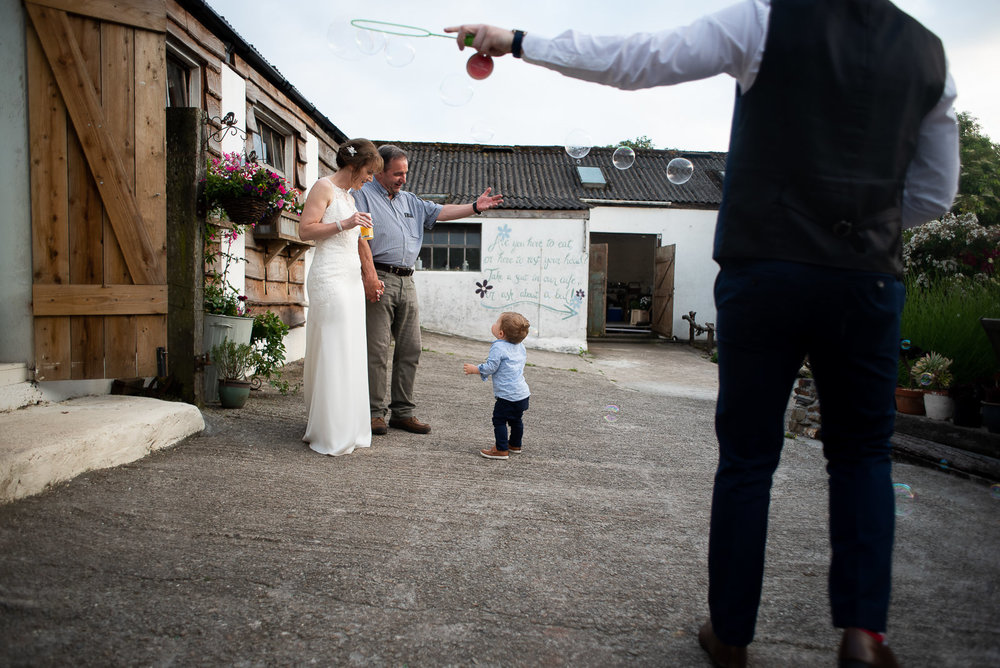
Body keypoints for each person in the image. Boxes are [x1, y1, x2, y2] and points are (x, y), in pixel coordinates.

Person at [447, 2, 959, 666]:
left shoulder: (767, 19)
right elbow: (934, 196)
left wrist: (515, 39)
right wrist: (861, 224)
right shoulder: (930, 54)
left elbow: (635, 59)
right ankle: (864, 633)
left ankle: (733, 633)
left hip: (765, 268)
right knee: (863, 456)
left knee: (748, 456)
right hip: (866, 279)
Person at [353, 144, 504, 436]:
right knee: (377, 350)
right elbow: (358, 239)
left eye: (405, 173)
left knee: (411, 348)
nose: (403, 179)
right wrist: (369, 276)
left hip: (408, 281)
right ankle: (373, 414)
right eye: (397, 173)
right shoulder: (361, 195)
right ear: (380, 171)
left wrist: (474, 207)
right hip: (379, 276)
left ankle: (403, 413)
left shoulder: (411, 201)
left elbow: (442, 211)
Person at [297, 139, 384, 456]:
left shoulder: (349, 197)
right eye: (369, 172)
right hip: (329, 278)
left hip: (349, 279)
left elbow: (358, 242)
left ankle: (349, 426)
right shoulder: (324, 187)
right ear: (354, 165)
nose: (370, 179)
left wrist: (368, 274)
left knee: (349, 347)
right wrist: (344, 223)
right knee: (334, 346)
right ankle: (330, 430)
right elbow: (305, 231)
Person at [463, 312, 532, 460]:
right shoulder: (520, 346)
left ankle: (501, 449)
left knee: (499, 420)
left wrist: (476, 369)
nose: (493, 324)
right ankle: (515, 445)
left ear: (500, 333)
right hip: (522, 394)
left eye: (497, 322)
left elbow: (491, 366)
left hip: (507, 395)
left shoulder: (498, 347)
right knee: (516, 420)